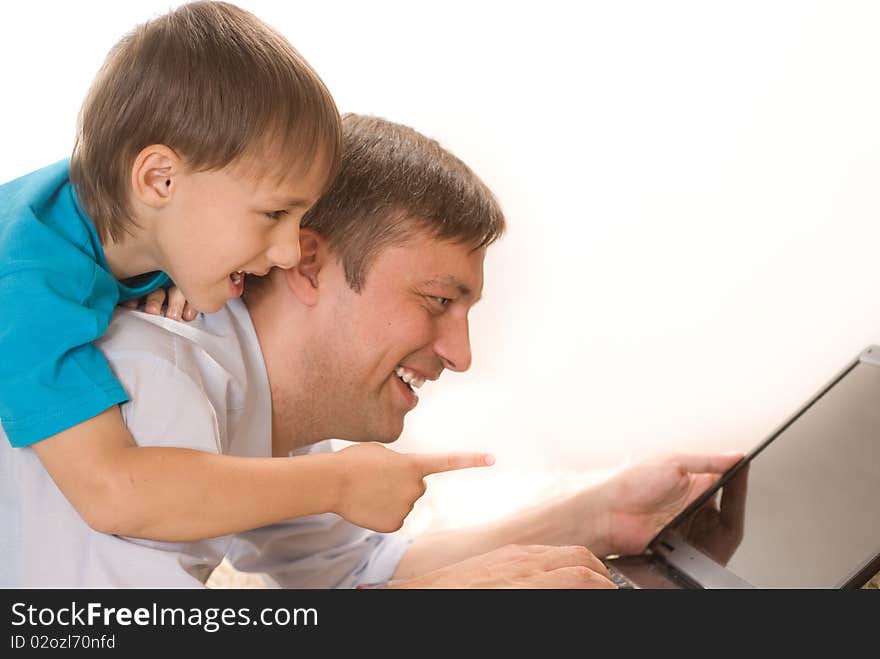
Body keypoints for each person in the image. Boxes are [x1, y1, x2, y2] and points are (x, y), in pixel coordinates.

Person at [0, 114, 742, 588]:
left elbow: (359, 573)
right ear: (308, 262)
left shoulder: (268, 412)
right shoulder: (154, 384)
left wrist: (602, 515)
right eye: (438, 300)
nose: (461, 353)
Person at [0, 1, 489, 546]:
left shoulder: (130, 217)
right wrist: (338, 482)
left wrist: (171, 270)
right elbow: (113, 493)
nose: (286, 253)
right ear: (160, 180)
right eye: (274, 215)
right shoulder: (27, 288)